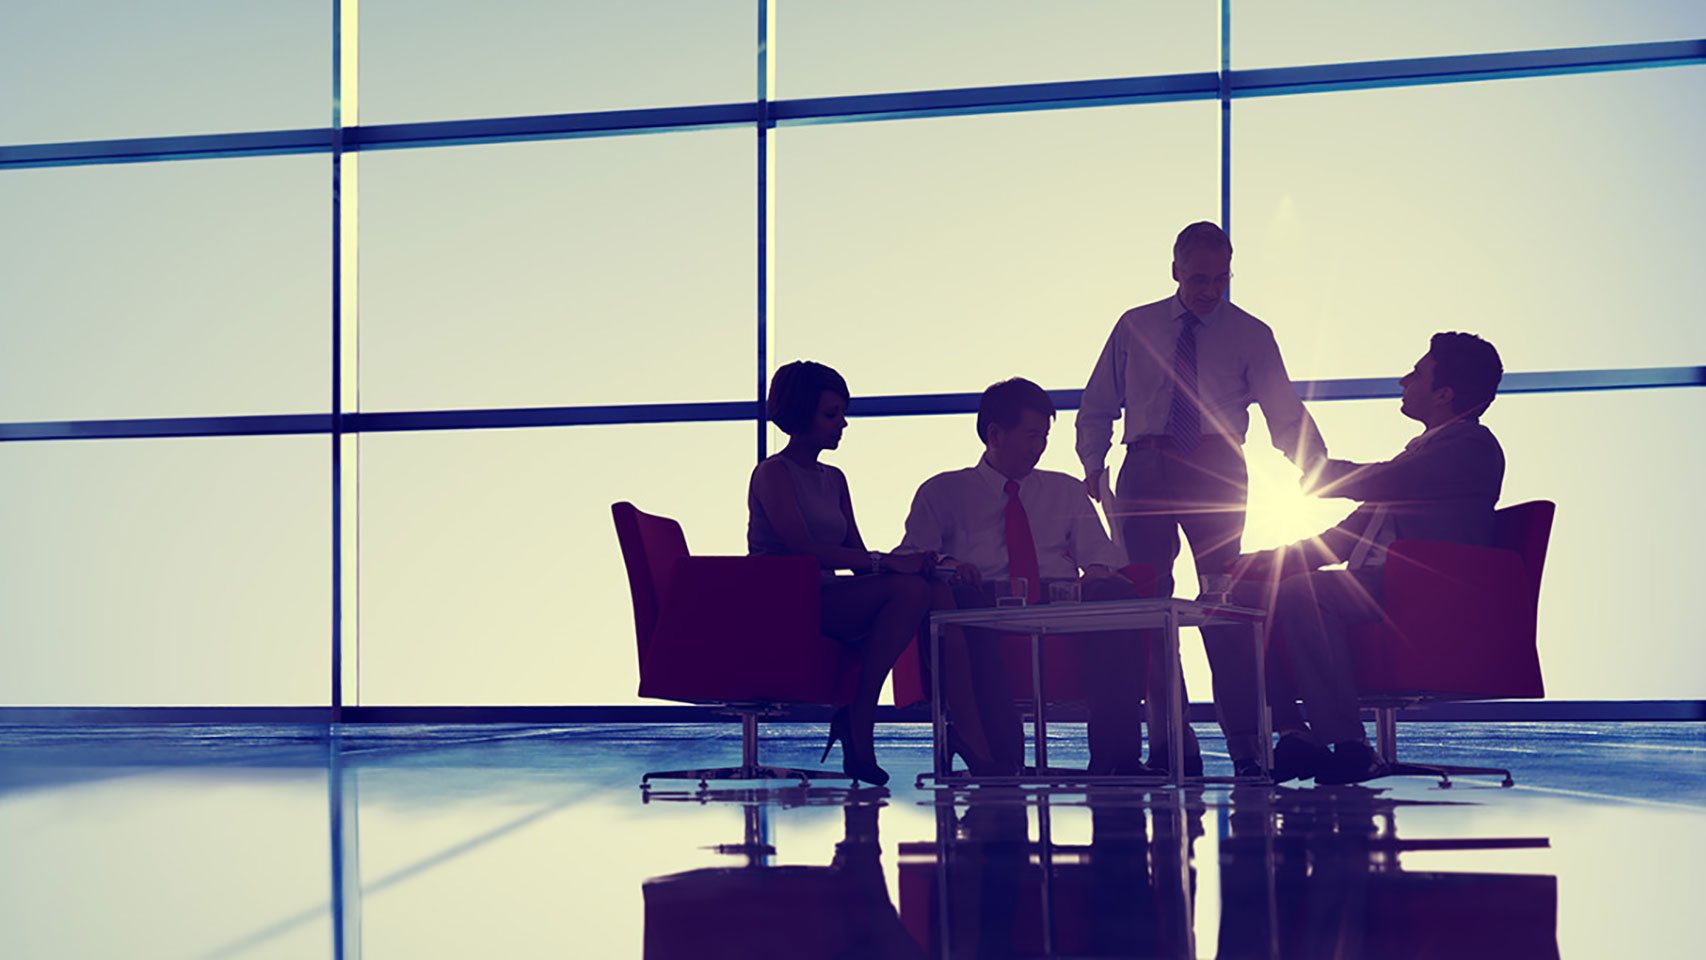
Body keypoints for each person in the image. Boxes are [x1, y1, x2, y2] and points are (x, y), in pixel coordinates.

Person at [1076, 220, 1327, 777]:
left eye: (1220, 279)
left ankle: (1246, 746)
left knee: (1224, 604)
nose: (1209, 290)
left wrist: (1314, 463)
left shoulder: (1251, 333)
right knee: (1148, 606)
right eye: (1197, 279)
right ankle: (1171, 742)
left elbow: (1282, 408)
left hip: (1215, 465)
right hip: (1143, 464)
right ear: (1174, 271)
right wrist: (1093, 463)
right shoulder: (1135, 325)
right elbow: (1097, 402)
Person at [1233, 332, 1505, 785]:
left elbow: (1380, 482)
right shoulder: (1422, 453)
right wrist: (1266, 562)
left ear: (1444, 394)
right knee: (1250, 593)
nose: (1404, 380)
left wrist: (1316, 467)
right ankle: (1295, 736)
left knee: (1305, 593)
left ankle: (1351, 746)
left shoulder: (1469, 448)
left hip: (1427, 592)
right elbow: (1346, 537)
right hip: (1385, 586)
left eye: (1417, 373)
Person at [898, 378, 1149, 776]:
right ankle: (1001, 757)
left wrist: (1099, 572)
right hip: (983, 599)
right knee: (967, 609)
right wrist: (950, 566)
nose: (1040, 447)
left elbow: (1100, 555)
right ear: (994, 434)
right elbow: (913, 556)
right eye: (1031, 435)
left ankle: (1117, 761)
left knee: (1116, 596)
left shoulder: (1064, 490)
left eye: (1045, 436)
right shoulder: (943, 491)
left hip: (1057, 600)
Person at [748, 360, 933, 787]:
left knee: (919, 588)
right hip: (782, 600)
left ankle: (861, 714)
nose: (843, 424)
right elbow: (801, 548)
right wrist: (887, 564)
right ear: (800, 413)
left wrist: (908, 565)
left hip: (824, 596)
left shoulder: (835, 478)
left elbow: (853, 555)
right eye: (832, 414)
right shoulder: (773, 473)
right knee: (905, 592)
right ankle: (860, 712)